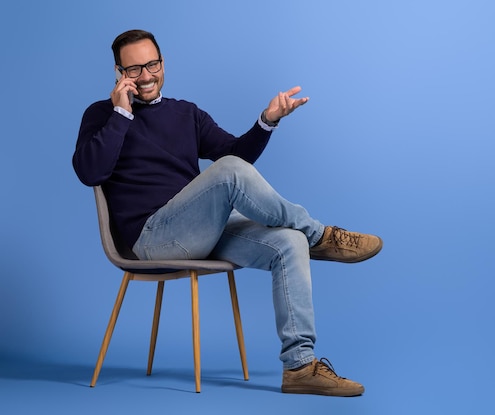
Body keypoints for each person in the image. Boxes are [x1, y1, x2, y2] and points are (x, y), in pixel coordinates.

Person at [73, 29, 382, 397]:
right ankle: (322, 236)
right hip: (151, 239)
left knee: (288, 241)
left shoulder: (186, 113)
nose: (146, 75)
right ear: (119, 73)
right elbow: (90, 172)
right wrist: (121, 114)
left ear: (163, 63)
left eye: (152, 64)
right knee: (230, 173)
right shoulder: (102, 115)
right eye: (134, 69)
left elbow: (238, 157)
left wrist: (267, 121)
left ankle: (300, 366)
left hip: (199, 230)